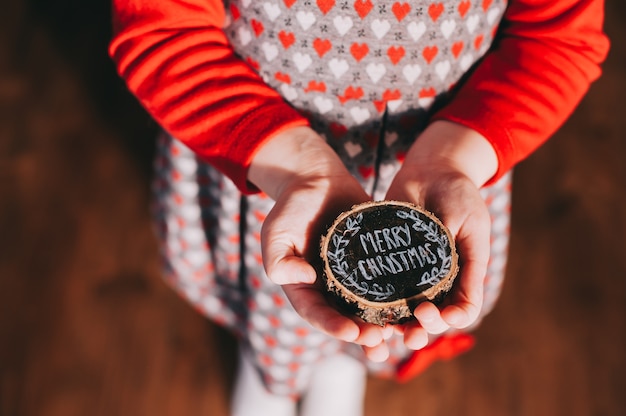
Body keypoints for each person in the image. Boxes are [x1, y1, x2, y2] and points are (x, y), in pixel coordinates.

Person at [109, 1, 609, 415]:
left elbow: (560, 41)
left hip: (449, 160)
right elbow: (160, 31)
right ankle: (268, 369)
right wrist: (291, 166)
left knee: (369, 314)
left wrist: (457, 157)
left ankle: (343, 364)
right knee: (275, 290)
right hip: (265, 161)